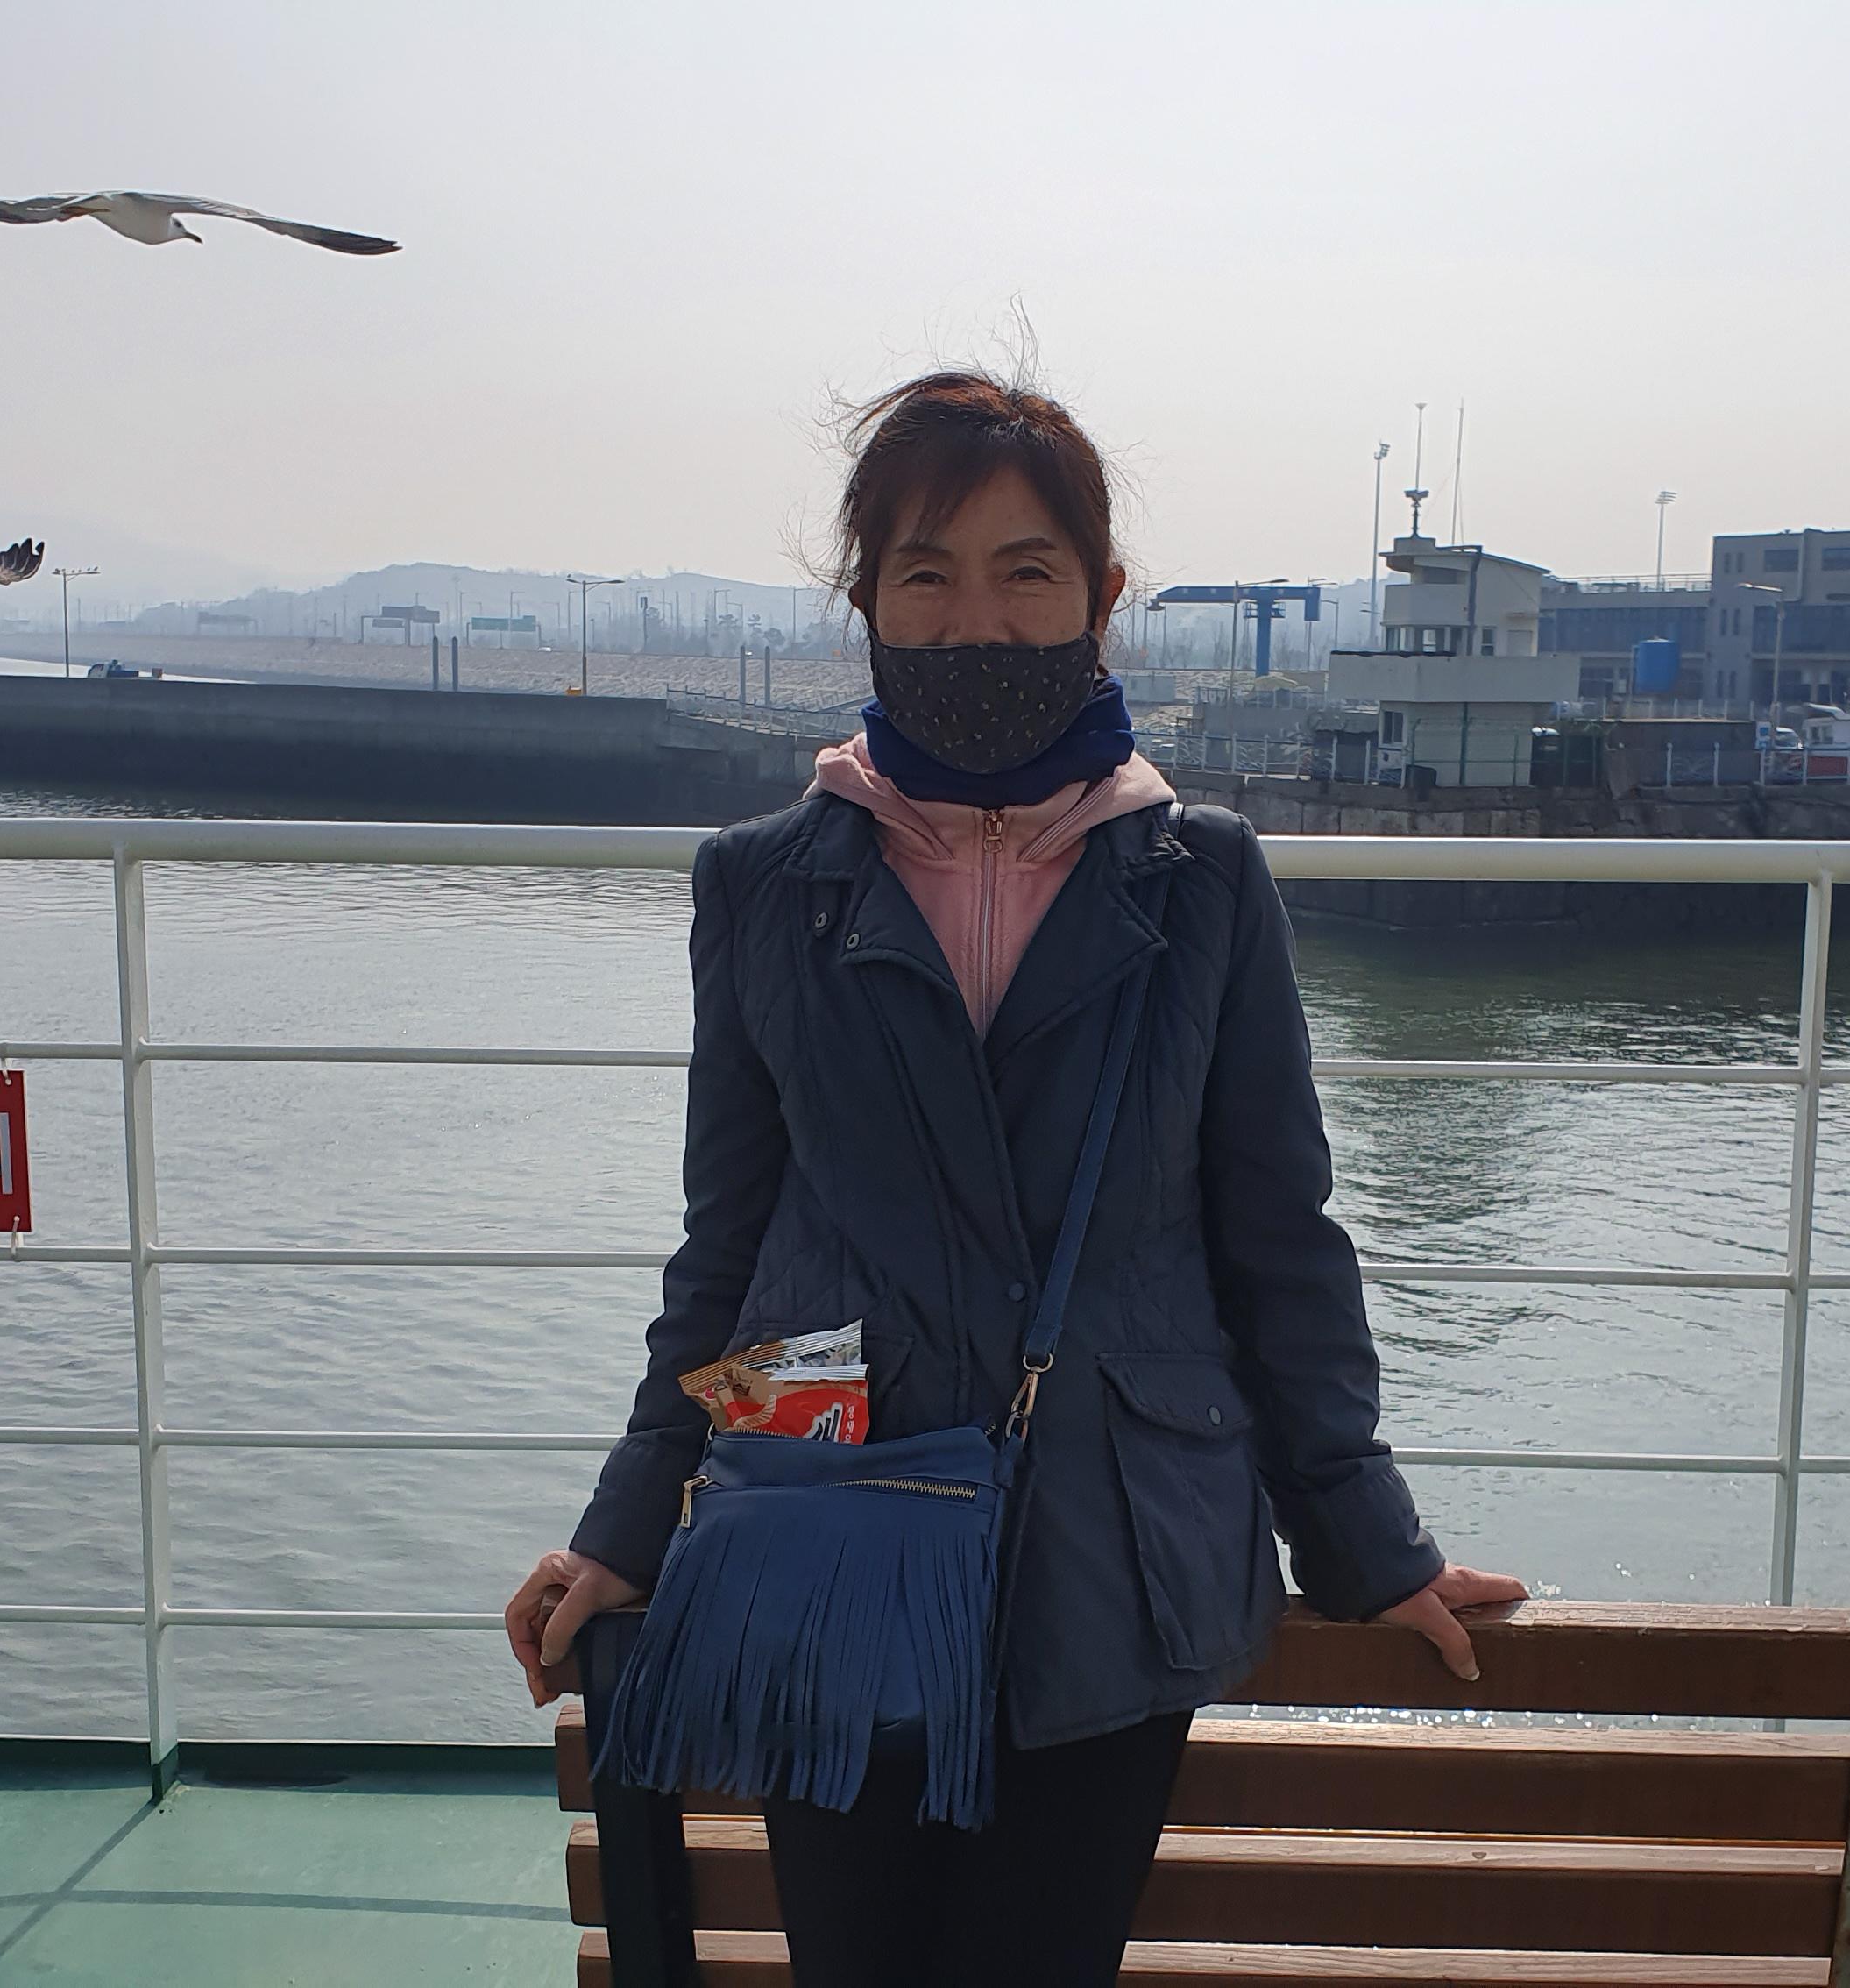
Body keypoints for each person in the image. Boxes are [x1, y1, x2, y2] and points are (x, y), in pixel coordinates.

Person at [503, 368, 1522, 1986]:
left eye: (1025, 572)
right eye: (927, 574)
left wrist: (1364, 1542)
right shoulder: (765, 886)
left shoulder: (1200, 880)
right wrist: (629, 1519)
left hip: (1109, 1548)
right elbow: (730, 1246)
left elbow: (1277, 1236)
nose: (976, 622)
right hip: (823, 1523)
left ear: (1102, 598)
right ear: (867, 602)